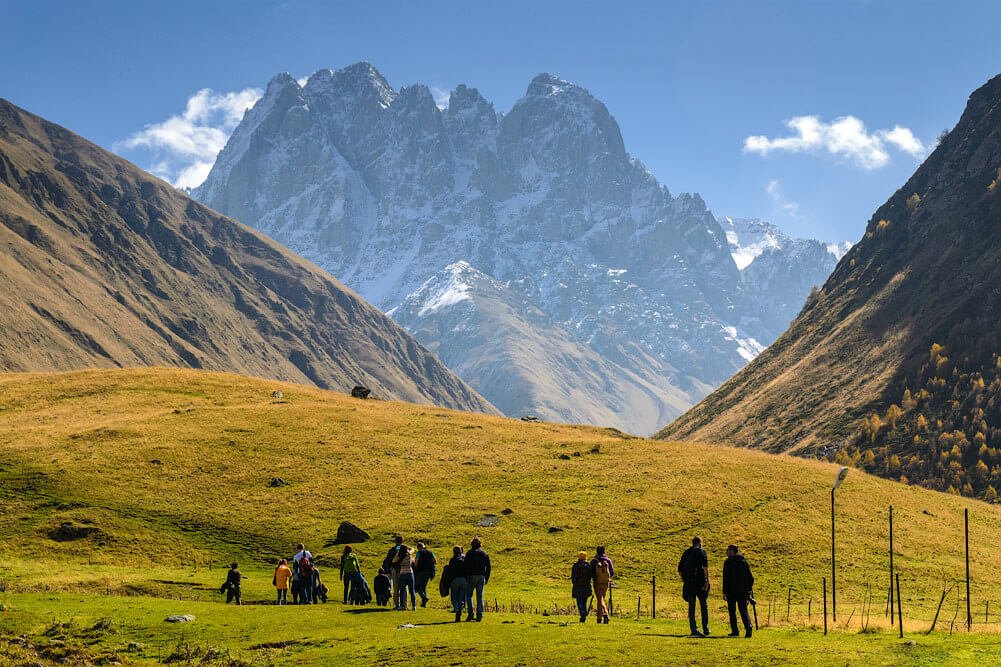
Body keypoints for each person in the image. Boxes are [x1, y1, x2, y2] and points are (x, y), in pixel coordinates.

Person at [678, 536, 711, 637]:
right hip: (700, 582)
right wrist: (707, 581)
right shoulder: (702, 552)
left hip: (689, 583)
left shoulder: (686, 552)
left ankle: (693, 628)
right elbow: (705, 568)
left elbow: (679, 569)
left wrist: (684, 580)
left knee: (691, 606)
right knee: (703, 605)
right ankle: (705, 628)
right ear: (700, 543)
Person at [722, 544, 755, 638]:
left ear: (732, 551)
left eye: (728, 550)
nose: (726, 552)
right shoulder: (743, 561)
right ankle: (748, 627)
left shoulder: (728, 562)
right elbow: (750, 577)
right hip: (743, 591)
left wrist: (724, 592)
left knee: (732, 611)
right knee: (743, 610)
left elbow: (725, 578)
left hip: (731, 591)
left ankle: (735, 630)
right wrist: (749, 589)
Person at [463, 537, 491, 622]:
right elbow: (488, 567)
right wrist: (486, 577)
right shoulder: (484, 553)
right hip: (481, 576)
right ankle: (479, 614)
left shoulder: (469, 553)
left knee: (469, 595)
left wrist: (466, 576)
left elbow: (465, 566)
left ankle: (470, 613)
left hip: (471, 576)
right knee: (480, 596)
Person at [590, 546, 615, 624]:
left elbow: (591, 572)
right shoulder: (608, 560)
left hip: (597, 582)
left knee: (600, 599)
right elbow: (612, 572)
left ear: (597, 551)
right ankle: (599, 618)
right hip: (605, 582)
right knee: (601, 599)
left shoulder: (594, 561)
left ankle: (605, 614)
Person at [444, 545, 468, 622]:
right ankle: (460, 611)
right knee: (461, 598)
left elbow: (450, 571)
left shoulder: (452, 560)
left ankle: (457, 609)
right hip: (463, 580)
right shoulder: (464, 559)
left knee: (454, 597)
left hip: (455, 580)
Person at [413, 542, 438, 608]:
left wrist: (415, 567)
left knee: (417, 586)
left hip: (421, 571)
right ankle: (424, 604)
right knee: (423, 586)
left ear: (418, 547)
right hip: (429, 572)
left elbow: (416, 562)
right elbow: (435, 561)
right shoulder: (430, 552)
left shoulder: (419, 552)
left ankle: (424, 598)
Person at [571, 551, 592, 623]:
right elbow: (590, 576)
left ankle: (582, 613)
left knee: (579, 601)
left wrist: (574, 583)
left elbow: (573, 576)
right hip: (586, 586)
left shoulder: (576, 565)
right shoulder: (588, 566)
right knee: (584, 601)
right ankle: (584, 613)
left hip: (577, 586)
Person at [394, 543, 417, 610]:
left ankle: (402, 606)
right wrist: (408, 548)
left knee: (402, 590)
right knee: (412, 591)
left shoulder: (400, 557)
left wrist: (397, 552)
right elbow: (413, 549)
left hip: (402, 574)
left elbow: (394, 560)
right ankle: (414, 606)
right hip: (410, 573)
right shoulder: (409, 555)